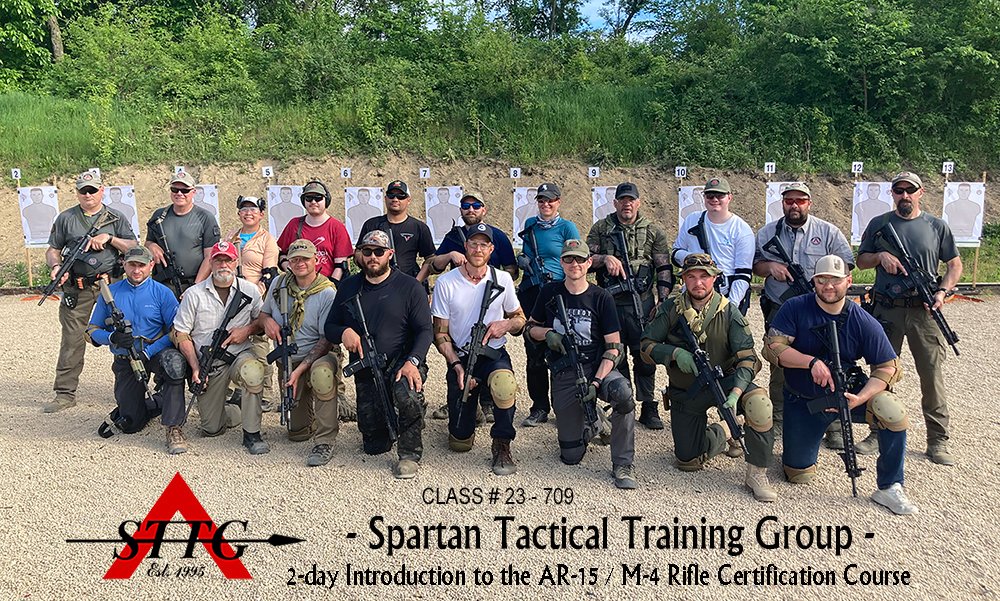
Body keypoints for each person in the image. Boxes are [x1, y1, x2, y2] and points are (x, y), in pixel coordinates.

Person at [763, 254, 917, 515]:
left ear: (848, 281)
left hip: (848, 395)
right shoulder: (795, 307)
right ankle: (802, 448)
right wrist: (810, 363)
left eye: (835, 280)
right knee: (797, 473)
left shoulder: (861, 319)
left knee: (891, 410)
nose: (828, 286)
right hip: (804, 400)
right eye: (822, 280)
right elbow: (773, 348)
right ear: (814, 282)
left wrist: (860, 398)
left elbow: (889, 367)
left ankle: (890, 486)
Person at [640, 254, 776, 502]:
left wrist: (736, 393)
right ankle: (724, 430)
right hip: (687, 390)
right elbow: (645, 347)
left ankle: (757, 473)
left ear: (714, 279)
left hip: (724, 382)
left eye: (704, 276)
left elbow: (749, 358)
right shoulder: (671, 309)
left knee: (759, 404)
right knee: (688, 461)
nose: (698, 283)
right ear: (683, 280)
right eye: (691, 277)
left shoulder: (728, 311)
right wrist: (674, 353)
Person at [857, 171, 963, 466]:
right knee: (882, 371)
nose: (904, 195)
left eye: (909, 190)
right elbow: (861, 259)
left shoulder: (936, 226)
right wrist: (880, 257)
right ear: (892, 193)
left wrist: (942, 293)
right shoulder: (880, 224)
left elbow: (954, 265)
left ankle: (937, 439)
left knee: (931, 376)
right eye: (899, 190)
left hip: (924, 310)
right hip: (888, 309)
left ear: (920, 192)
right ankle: (877, 431)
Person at [526, 239, 637, 489]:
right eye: (568, 259)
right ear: (562, 263)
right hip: (565, 370)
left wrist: (597, 382)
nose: (574, 264)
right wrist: (548, 335)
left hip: (598, 367)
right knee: (571, 456)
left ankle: (623, 463)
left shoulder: (601, 297)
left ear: (589, 263)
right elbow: (529, 328)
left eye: (579, 259)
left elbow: (614, 348)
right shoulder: (549, 292)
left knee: (623, 395)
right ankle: (595, 421)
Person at [323, 231, 433, 478]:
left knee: (407, 395)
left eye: (379, 252)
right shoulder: (349, 286)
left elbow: (426, 330)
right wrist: (345, 333)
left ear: (390, 254)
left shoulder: (409, 286)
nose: (373, 257)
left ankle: (409, 453)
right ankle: (400, 418)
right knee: (374, 445)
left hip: (402, 364)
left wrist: (413, 362)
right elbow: (329, 327)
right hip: (366, 369)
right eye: (367, 251)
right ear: (360, 254)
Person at [753, 182, 855, 438]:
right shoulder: (767, 233)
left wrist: (824, 283)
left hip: (820, 307)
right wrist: (771, 268)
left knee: (830, 358)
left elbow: (847, 264)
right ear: (783, 203)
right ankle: (778, 418)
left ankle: (831, 422)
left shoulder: (828, 232)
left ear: (809, 203)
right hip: (780, 308)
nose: (794, 205)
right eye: (789, 201)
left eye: (800, 201)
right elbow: (755, 265)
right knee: (779, 361)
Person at [431, 224, 526, 476]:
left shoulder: (502, 279)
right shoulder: (446, 282)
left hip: (493, 353)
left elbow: (519, 319)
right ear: (465, 247)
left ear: (491, 249)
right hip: (462, 356)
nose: (478, 249)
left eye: (484, 244)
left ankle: (502, 443)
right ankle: (468, 415)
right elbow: (440, 334)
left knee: (505, 384)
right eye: (473, 243)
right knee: (459, 442)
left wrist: (505, 324)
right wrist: (456, 365)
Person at [417, 190, 518, 421]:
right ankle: (459, 397)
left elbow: (512, 269)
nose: (470, 209)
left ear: (484, 209)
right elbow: (434, 263)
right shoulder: (453, 237)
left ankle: (489, 402)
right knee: (457, 345)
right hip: (458, 296)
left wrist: (494, 280)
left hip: (492, 296)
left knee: (491, 356)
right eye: (466, 205)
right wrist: (453, 255)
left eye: (476, 205)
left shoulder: (499, 237)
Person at [43, 171, 137, 413]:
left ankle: (133, 388)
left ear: (101, 190)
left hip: (112, 284)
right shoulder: (66, 218)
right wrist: (56, 266)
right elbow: (53, 249)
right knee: (72, 339)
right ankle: (65, 393)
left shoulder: (115, 217)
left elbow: (133, 246)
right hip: (78, 286)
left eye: (92, 190)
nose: (88, 194)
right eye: (83, 190)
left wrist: (110, 238)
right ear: (77, 192)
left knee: (125, 333)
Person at [86, 246, 188, 453]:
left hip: (155, 353)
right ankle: (156, 401)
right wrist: (112, 337)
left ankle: (174, 427)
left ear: (151, 266)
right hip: (126, 357)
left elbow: (174, 331)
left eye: (141, 265)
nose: (136, 270)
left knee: (175, 365)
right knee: (132, 423)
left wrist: (148, 352)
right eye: (132, 264)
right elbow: (91, 331)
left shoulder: (163, 293)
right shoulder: (110, 293)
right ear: (124, 264)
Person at [587, 182, 671, 430]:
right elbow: (585, 261)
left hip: (642, 303)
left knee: (644, 355)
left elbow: (664, 268)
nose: (627, 204)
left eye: (631, 199)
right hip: (610, 303)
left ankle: (648, 405)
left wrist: (662, 300)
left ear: (639, 202)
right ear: (615, 203)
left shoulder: (653, 232)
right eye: (622, 200)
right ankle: (623, 403)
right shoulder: (601, 229)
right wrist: (605, 258)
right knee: (615, 353)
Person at [172, 241, 269, 454]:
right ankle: (236, 408)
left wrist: (247, 330)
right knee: (211, 428)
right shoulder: (194, 294)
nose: (223, 264)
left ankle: (252, 434)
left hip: (239, 355)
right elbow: (181, 334)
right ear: (211, 262)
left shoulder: (250, 290)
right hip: (211, 362)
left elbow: (261, 322)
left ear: (236, 262)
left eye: (228, 260)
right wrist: (196, 367)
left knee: (253, 372)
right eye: (218, 260)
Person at [256, 239, 341, 466]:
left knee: (322, 376)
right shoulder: (278, 284)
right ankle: (310, 418)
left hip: (317, 357)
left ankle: (325, 439)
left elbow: (327, 340)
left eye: (305, 258)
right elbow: (263, 315)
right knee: (297, 433)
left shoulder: (326, 292)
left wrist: (301, 369)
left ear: (316, 260)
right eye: (295, 259)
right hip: (288, 360)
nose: (300, 263)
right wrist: (268, 323)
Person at [518, 183, 581, 428]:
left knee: (560, 348)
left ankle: (563, 404)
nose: (546, 205)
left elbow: (575, 257)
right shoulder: (530, 227)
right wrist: (523, 261)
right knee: (533, 350)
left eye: (550, 200)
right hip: (534, 292)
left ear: (558, 202)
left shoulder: (567, 227)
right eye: (542, 200)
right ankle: (539, 407)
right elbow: (527, 254)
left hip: (559, 290)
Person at [213, 195, 281, 411]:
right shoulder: (232, 235)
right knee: (232, 336)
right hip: (231, 293)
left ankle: (266, 391)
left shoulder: (267, 239)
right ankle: (237, 388)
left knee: (259, 341)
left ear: (261, 214)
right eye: (244, 209)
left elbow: (270, 273)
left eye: (253, 209)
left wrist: (255, 293)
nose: (248, 213)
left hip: (255, 295)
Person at [672, 177, 755, 315]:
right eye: (710, 195)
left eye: (720, 195)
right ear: (704, 198)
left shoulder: (742, 230)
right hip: (693, 294)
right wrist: (693, 258)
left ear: (729, 197)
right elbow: (675, 254)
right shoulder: (692, 220)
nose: (714, 199)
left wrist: (730, 306)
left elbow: (743, 274)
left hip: (725, 294)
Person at [145, 171, 220, 298]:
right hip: (163, 284)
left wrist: (195, 288)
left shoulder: (205, 218)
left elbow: (210, 257)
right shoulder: (159, 215)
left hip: (194, 284)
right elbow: (148, 241)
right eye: (175, 189)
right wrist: (152, 246)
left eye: (184, 190)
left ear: (193, 192)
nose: (179, 194)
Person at [358, 180, 435, 283]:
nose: (395, 199)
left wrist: (416, 282)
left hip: (407, 284)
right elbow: (358, 252)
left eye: (401, 196)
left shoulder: (419, 227)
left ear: (408, 200)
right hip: (374, 283)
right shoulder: (371, 224)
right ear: (385, 199)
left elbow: (430, 258)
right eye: (391, 195)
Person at [276, 181, 352, 284]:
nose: (313, 202)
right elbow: (282, 254)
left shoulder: (337, 227)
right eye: (308, 198)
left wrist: (331, 286)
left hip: (326, 284)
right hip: (296, 284)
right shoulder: (294, 224)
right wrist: (290, 271)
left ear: (326, 200)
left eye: (318, 198)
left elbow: (341, 265)